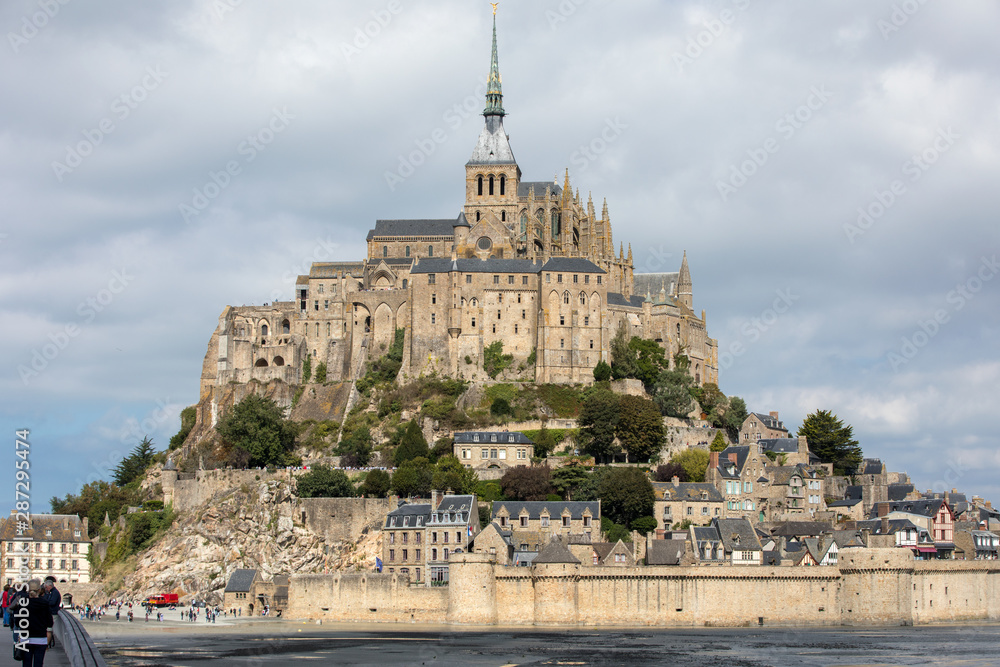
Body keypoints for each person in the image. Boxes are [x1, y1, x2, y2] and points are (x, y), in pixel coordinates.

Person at [13, 579, 53, 667]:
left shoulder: (23, 603)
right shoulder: (44, 603)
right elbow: (50, 622)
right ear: (39, 590)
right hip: (40, 638)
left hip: (26, 638)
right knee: (38, 664)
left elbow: (17, 622)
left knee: (26, 664)